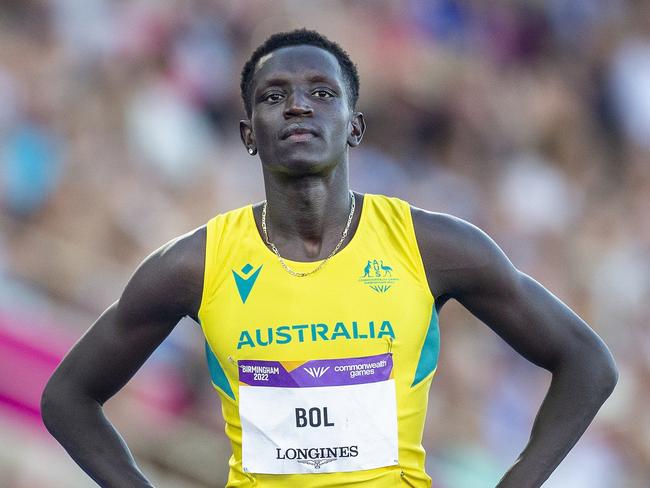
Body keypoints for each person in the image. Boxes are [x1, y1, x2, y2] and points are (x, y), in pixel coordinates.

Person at [41, 29, 618, 488]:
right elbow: (67, 398)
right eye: (274, 96)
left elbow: (588, 362)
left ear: (355, 127)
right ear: (248, 134)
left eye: (322, 93)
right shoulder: (196, 264)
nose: (297, 107)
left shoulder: (430, 247)